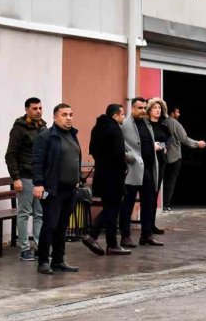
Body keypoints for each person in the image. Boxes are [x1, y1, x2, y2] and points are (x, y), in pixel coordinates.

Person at [32, 103, 82, 275]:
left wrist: (77, 180)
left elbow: (75, 158)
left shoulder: (73, 135)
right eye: (64, 114)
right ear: (55, 117)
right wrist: (38, 183)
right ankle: (43, 261)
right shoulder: (46, 136)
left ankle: (59, 260)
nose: (68, 118)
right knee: (50, 225)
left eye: (70, 114)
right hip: (53, 189)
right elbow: (37, 161)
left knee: (62, 227)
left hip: (70, 189)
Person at [82, 104, 131, 256]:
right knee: (113, 209)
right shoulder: (115, 129)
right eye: (122, 114)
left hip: (101, 174)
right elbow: (118, 153)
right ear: (115, 115)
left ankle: (108, 243)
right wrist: (124, 167)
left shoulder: (97, 128)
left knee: (110, 208)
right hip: (114, 176)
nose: (123, 117)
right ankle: (97, 237)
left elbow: (93, 150)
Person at [4, 97, 47, 261]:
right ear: (27, 110)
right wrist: (16, 178)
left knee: (40, 214)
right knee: (24, 213)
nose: (38, 111)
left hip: (40, 179)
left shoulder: (43, 127)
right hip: (25, 177)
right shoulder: (19, 129)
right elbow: (10, 155)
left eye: (40, 108)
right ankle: (24, 249)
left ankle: (39, 246)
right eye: (35, 108)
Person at [120, 98, 162, 247]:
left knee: (149, 203)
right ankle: (125, 236)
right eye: (139, 108)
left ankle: (146, 235)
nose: (143, 111)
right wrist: (128, 157)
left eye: (144, 108)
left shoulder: (146, 123)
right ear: (132, 108)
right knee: (128, 204)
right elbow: (119, 146)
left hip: (148, 169)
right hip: (133, 169)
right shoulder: (125, 124)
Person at [162, 105, 206, 213]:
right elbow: (184, 139)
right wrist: (197, 144)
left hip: (164, 156)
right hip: (174, 156)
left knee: (165, 180)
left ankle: (163, 204)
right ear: (172, 113)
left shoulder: (163, 122)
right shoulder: (174, 123)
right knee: (171, 181)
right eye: (177, 112)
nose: (179, 114)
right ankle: (166, 204)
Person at [146, 98, 170, 234]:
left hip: (160, 161)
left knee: (155, 192)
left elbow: (168, 142)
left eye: (160, 108)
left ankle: (152, 223)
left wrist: (162, 146)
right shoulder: (146, 125)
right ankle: (146, 225)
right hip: (149, 162)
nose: (158, 110)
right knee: (148, 193)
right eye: (155, 107)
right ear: (149, 110)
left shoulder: (163, 126)